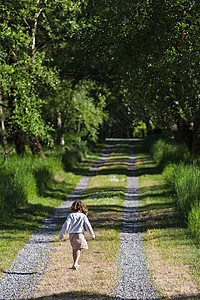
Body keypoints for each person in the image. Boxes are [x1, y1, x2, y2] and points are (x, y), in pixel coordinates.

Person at [59, 200, 95, 270]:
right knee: (78, 249)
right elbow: (88, 226)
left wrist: (61, 235)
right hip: (79, 234)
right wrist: (92, 235)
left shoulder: (70, 215)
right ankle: (76, 263)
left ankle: (75, 263)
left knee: (74, 248)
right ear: (82, 208)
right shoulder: (83, 216)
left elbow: (65, 225)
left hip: (71, 234)